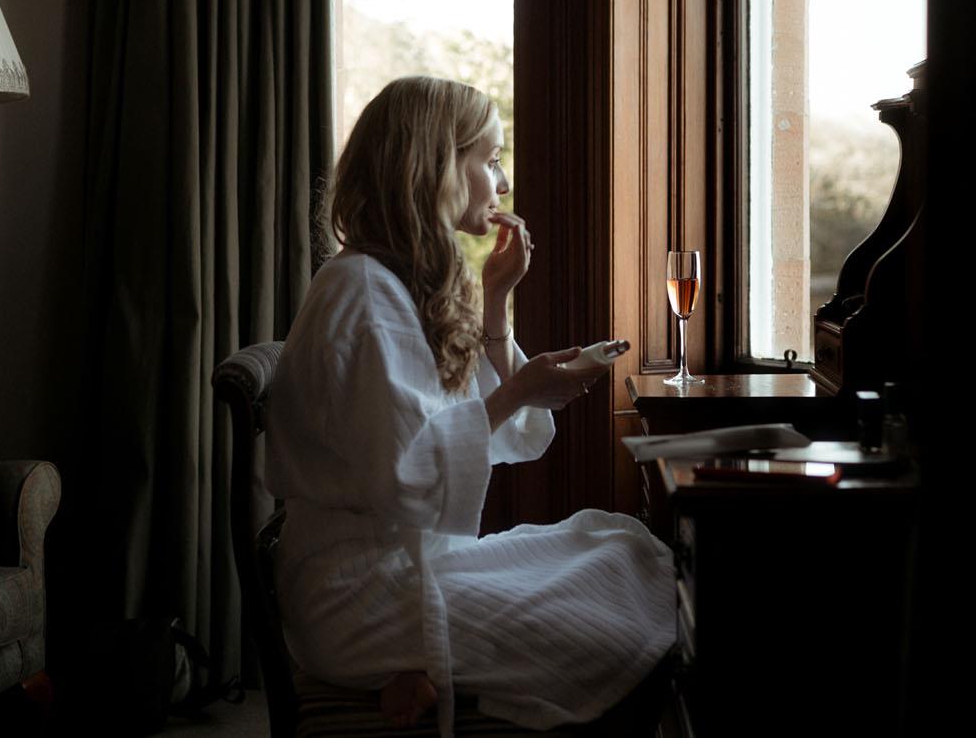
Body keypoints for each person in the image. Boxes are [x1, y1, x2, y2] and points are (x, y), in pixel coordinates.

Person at [264, 76, 676, 737]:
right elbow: (407, 474)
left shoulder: (390, 283)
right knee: (621, 618)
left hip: (396, 566)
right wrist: (518, 390)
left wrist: (496, 304)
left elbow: (470, 429)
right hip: (358, 597)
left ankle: (427, 678)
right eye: (489, 159)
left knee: (622, 548)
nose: (503, 183)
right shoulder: (363, 297)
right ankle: (416, 674)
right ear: (436, 167)